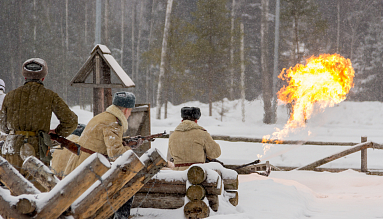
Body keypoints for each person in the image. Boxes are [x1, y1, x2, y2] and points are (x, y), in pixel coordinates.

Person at [63, 91, 140, 219]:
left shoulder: (104, 117)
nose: (130, 114)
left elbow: (104, 142)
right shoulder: (113, 123)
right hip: (90, 169)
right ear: (126, 110)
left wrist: (126, 143)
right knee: (125, 191)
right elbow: (115, 153)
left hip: (84, 164)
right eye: (130, 110)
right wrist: (130, 152)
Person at [0, 58, 78, 174]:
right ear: (43, 77)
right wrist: (57, 132)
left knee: (13, 186)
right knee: (38, 188)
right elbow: (71, 121)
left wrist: (16, 132)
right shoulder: (49, 96)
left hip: (11, 149)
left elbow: (3, 126)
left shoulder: (10, 96)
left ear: (24, 76)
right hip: (38, 150)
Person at [168, 107, 221, 171]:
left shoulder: (173, 135)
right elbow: (216, 153)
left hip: (178, 174)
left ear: (182, 121)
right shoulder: (202, 133)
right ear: (196, 121)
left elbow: (172, 154)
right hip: (197, 174)